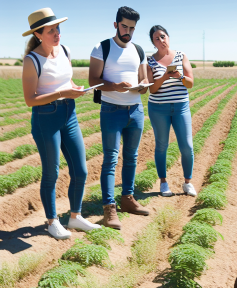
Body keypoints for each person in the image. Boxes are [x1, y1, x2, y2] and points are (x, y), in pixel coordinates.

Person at [22, 8, 101, 239]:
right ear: (38, 34)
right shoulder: (32, 60)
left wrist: (74, 89)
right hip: (46, 118)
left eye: (58, 28)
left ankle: (75, 217)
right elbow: (30, 99)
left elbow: (66, 80)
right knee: (51, 173)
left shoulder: (64, 50)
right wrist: (60, 94)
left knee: (81, 170)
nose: (57, 34)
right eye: (51, 30)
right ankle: (52, 221)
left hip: (69, 114)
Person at [89, 6, 149, 230]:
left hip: (135, 111)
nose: (128, 31)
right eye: (124, 26)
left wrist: (142, 87)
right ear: (116, 24)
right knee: (110, 159)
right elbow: (94, 80)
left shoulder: (139, 50)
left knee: (132, 157)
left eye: (132, 28)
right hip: (111, 110)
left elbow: (143, 81)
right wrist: (116, 86)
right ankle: (109, 208)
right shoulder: (102, 47)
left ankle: (128, 199)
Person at [146, 25, 196, 197]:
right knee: (161, 145)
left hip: (181, 107)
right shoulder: (150, 61)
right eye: (156, 39)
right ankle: (163, 182)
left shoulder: (181, 56)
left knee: (187, 146)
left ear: (168, 37)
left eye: (163, 36)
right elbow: (152, 89)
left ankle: (187, 182)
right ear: (153, 43)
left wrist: (180, 77)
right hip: (158, 108)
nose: (161, 41)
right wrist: (166, 76)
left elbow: (190, 83)